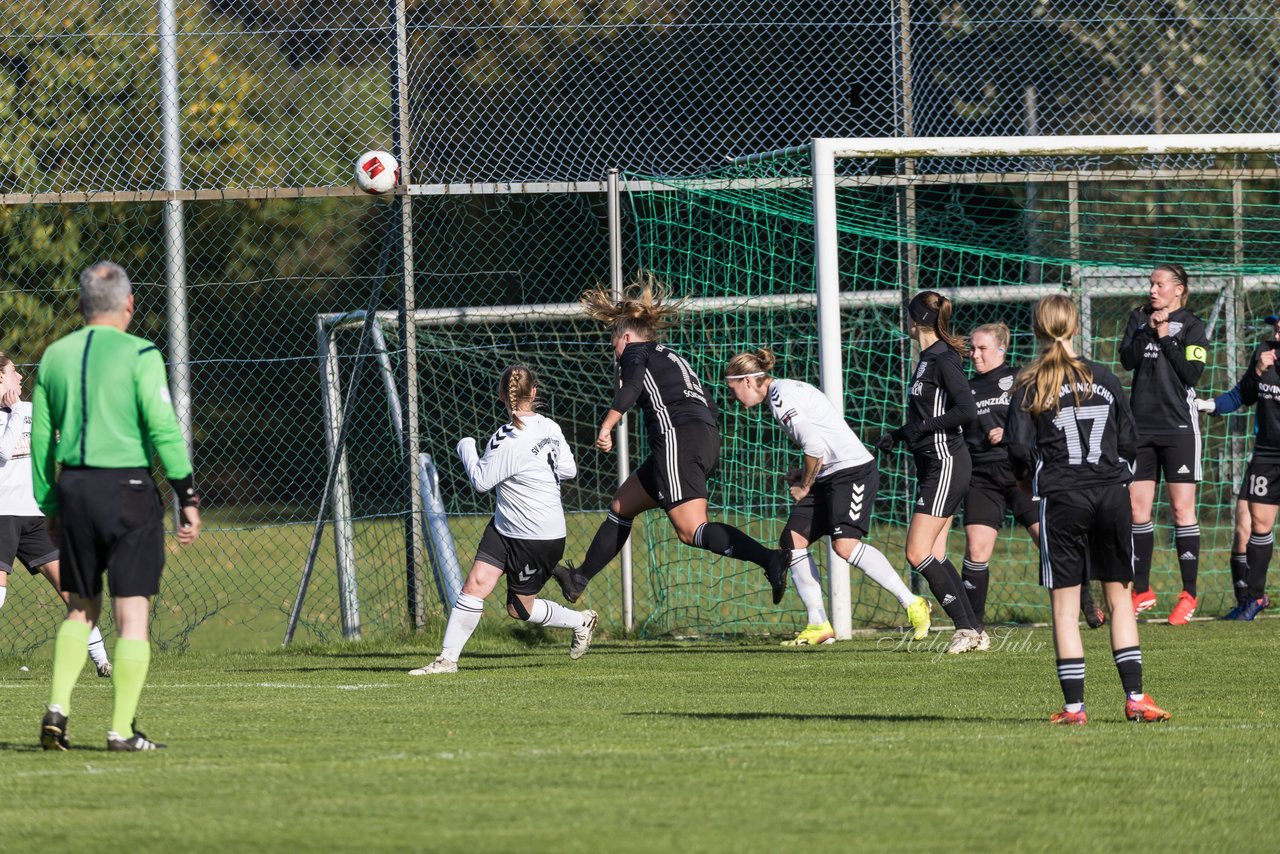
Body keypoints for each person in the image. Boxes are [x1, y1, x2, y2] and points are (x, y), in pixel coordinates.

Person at [32, 261, 201, 752]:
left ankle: (58, 706)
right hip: (128, 490)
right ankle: (121, 730)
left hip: (76, 490)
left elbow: (43, 439)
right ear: (129, 303)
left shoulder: (54, 357)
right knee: (132, 615)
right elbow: (163, 427)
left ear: (82, 306)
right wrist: (186, 495)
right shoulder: (142, 354)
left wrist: (49, 503)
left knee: (80, 607)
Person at [551, 275, 787, 605]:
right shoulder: (672, 356)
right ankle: (579, 578)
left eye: (614, 345)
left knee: (691, 530)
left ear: (627, 337)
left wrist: (607, 424)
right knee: (622, 504)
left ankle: (770, 558)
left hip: (679, 439)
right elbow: (709, 405)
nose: (616, 353)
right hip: (698, 437)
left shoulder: (635, 351)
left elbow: (631, 388)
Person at [1005, 294, 1170, 724]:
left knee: (1064, 607)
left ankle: (1075, 708)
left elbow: (1017, 448)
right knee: (1120, 599)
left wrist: (1028, 482)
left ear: (1039, 330)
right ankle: (1135, 698)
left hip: (1063, 497)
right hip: (1110, 494)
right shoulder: (1104, 376)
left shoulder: (1029, 381)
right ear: (1075, 327)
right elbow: (1129, 441)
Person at [724, 348, 932, 645]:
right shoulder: (781, 392)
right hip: (830, 473)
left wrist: (805, 485)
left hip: (852, 472)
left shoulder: (781, 396)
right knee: (792, 540)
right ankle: (818, 623)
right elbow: (820, 444)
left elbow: (815, 447)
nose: (734, 399)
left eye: (733, 390)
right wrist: (804, 472)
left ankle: (913, 603)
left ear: (747, 381)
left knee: (845, 546)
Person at [409, 365, 597, 674]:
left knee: (519, 608)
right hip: (506, 525)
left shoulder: (507, 438)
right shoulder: (549, 427)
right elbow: (569, 470)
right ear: (534, 393)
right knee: (475, 584)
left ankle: (581, 621)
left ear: (501, 396)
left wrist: (465, 447)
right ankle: (446, 661)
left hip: (535, 534)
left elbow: (481, 481)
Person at [961, 324, 1104, 631]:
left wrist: (1013, 433)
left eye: (982, 349)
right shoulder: (966, 388)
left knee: (1050, 540)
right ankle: (972, 629)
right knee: (976, 549)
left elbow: (1047, 423)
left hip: (1020, 471)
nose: (974, 355)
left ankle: (1086, 597)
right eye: (972, 349)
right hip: (982, 476)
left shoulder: (1021, 380)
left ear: (1002, 349)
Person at [875, 291, 985, 654]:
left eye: (908, 316)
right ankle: (975, 630)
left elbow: (966, 410)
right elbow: (925, 417)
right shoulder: (926, 359)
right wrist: (901, 433)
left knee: (916, 551)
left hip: (945, 462)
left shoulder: (942, 358)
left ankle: (965, 629)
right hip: (934, 462)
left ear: (918, 320)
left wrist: (920, 430)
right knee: (935, 553)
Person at [0, 353, 111, 676]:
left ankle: (103, 661)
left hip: (36, 517)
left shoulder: (30, 412)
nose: (20, 377)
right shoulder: (20, 411)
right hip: (3, 516)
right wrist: (20, 410)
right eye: (13, 371)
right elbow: (5, 451)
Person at [1119, 263, 1208, 624]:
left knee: (1181, 510)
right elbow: (1127, 361)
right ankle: (1141, 590)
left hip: (1178, 429)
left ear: (1178, 289)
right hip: (1140, 429)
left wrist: (1168, 336)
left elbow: (1192, 375)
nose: (1153, 289)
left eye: (1159, 284)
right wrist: (1147, 330)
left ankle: (1189, 594)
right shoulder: (1138, 317)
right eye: (1151, 284)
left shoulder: (1192, 325)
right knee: (1137, 510)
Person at [1193, 314, 1280, 621]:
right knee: (1254, 523)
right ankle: (1252, 600)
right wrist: (1210, 406)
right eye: (1277, 323)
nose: (1278, 328)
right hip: (1268, 453)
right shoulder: (1264, 352)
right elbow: (1243, 393)